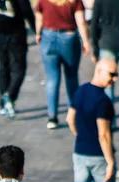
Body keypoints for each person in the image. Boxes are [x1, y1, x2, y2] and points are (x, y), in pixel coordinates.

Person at [58, 58, 119, 182]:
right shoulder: (103, 101)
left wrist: (80, 135)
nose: (115, 79)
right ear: (99, 70)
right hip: (98, 156)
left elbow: (69, 118)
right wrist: (110, 162)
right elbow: (104, 134)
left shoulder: (81, 90)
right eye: (112, 74)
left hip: (80, 152)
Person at [35, 0, 91, 130]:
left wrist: (38, 33)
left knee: (52, 79)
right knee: (71, 77)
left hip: (48, 36)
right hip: (69, 37)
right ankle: (74, 113)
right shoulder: (74, 1)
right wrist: (86, 41)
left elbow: (39, 17)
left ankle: (52, 116)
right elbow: (81, 21)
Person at [0, 0, 36, 119]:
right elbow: (27, 12)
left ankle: (3, 103)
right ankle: (9, 96)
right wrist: (37, 31)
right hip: (16, 34)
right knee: (19, 69)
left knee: (3, 67)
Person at [91, 0, 119, 127]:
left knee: (107, 83)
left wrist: (94, 47)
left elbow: (94, 21)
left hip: (107, 43)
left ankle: (108, 118)